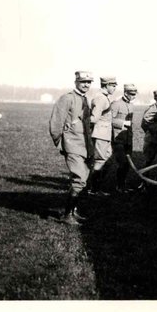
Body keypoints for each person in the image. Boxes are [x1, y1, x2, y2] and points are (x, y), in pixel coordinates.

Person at [48, 71, 94, 225]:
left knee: (83, 178)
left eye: (89, 82)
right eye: (83, 82)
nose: (86, 84)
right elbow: (56, 123)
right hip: (72, 144)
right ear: (76, 82)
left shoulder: (85, 99)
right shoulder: (67, 98)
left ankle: (73, 211)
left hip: (84, 145)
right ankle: (67, 215)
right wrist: (61, 143)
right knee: (79, 179)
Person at [88, 76, 117, 196]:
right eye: (113, 85)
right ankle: (93, 189)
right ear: (106, 85)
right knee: (100, 161)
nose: (115, 88)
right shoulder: (100, 98)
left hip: (105, 134)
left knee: (107, 161)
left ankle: (95, 187)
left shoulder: (104, 97)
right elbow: (94, 118)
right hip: (100, 134)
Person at [110, 83, 137, 194]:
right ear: (125, 93)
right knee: (122, 163)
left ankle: (121, 185)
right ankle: (116, 186)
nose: (133, 96)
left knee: (127, 164)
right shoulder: (116, 104)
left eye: (135, 94)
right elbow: (108, 120)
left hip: (128, 139)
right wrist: (122, 123)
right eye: (131, 94)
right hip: (118, 139)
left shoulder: (131, 106)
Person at [141, 89, 157, 180]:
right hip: (154, 139)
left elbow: (143, 125)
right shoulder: (151, 109)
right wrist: (152, 132)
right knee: (150, 160)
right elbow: (143, 124)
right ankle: (144, 182)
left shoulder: (151, 108)